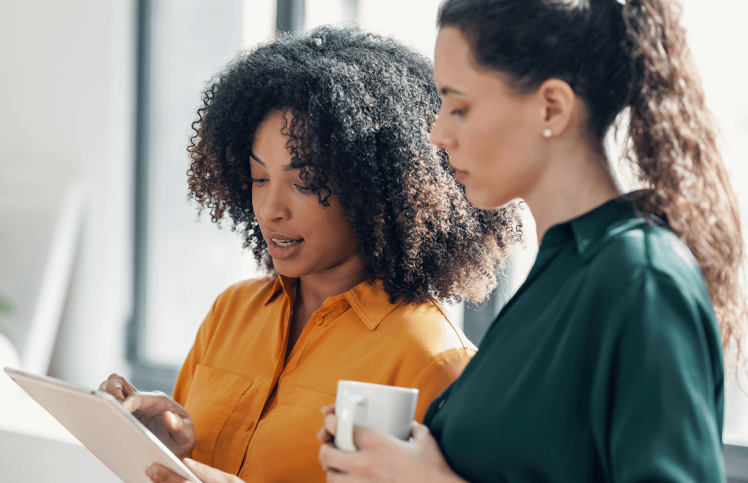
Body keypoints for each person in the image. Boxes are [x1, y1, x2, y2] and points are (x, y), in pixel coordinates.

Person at [318, 0, 747, 481]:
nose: (437, 134)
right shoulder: (559, 274)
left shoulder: (641, 279)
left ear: (552, 108)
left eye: (459, 107)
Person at [100, 26, 520, 483]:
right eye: (260, 178)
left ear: (373, 191)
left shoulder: (432, 361)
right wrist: (166, 449)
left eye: (304, 182)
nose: (271, 210)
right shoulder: (232, 312)